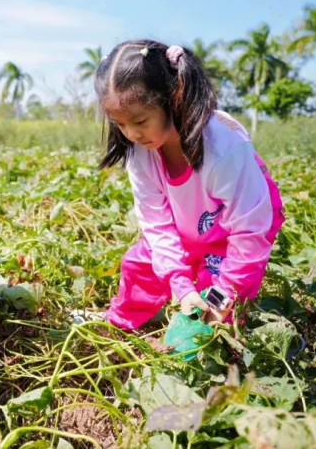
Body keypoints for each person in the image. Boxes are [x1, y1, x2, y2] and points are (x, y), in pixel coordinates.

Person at [95, 40, 285, 330]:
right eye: (120, 124)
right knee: (139, 266)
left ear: (173, 97)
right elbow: (156, 223)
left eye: (140, 120)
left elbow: (249, 232)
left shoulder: (223, 149)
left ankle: (220, 359)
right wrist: (181, 285)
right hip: (188, 223)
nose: (131, 133)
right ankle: (119, 325)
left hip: (236, 226)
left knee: (216, 307)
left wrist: (223, 300)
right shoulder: (139, 150)